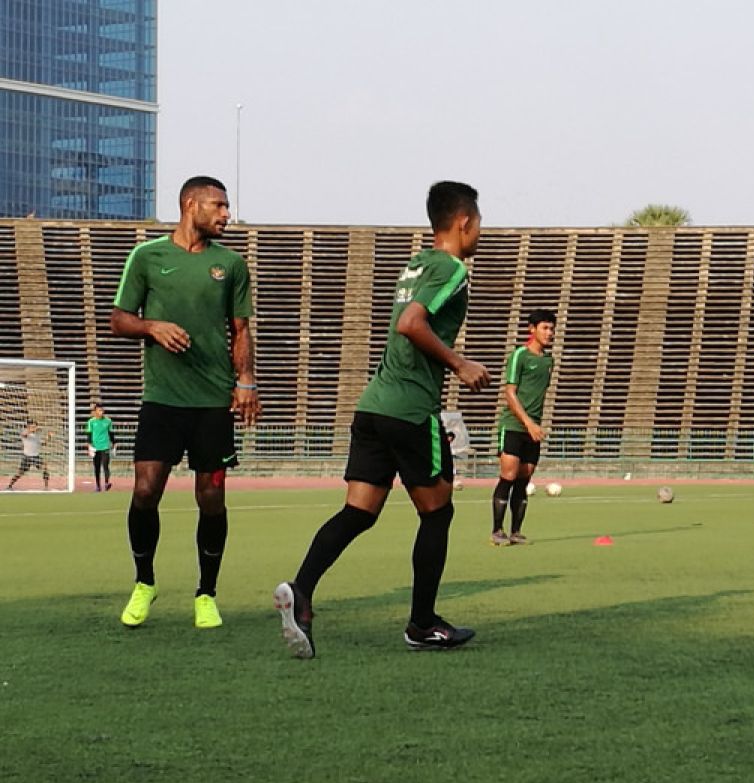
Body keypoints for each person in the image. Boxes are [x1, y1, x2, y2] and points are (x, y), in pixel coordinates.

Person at [273, 181, 491, 658]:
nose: (480, 232)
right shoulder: (452, 268)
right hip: (411, 411)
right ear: (464, 222)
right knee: (438, 511)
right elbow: (410, 324)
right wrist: (461, 364)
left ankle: (302, 590)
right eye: (479, 222)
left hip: (372, 405)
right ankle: (422, 624)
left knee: (358, 512)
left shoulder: (415, 264)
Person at [111, 175, 260, 629]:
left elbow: (240, 330)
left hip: (213, 401)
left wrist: (246, 381)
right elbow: (119, 319)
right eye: (218, 205)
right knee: (144, 490)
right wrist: (152, 327)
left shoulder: (230, 265)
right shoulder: (147, 257)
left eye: (226, 206)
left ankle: (206, 593)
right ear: (190, 204)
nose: (226, 214)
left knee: (211, 496)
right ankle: (144, 582)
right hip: (162, 399)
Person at [490, 310, 556, 546]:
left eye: (551, 328)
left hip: (533, 429)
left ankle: (516, 532)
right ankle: (497, 531)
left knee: (524, 478)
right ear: (532, 329)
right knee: (508, 475)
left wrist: (535, 424)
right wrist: (527, 422)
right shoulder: (520, 355)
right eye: (545, 328)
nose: (550, 333)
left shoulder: (549, 361)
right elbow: (510, 392)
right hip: (514, 425)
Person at [6, 420, 50, 490]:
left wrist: (48, 437)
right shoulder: (25, 432)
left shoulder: (37, 435)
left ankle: (46, 487)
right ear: (28, 427)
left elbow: (43, 444)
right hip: (27, 456)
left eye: (35, 426)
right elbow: (24, 435)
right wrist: (31, 430)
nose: (35, 428)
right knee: (20, 473)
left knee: (45, 467)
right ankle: (9, 485)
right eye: (33, 426)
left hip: (36, 456)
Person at [86, 404, 115, 491]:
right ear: (95, 412)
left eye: (102, 410)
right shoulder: (91, 422)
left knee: (106, 465)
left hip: (105, 446)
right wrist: (89, 445)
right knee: (97, 467)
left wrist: (114, 443)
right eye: (99, 410)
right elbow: (89, 434)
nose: (101, 412)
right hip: (95, 447)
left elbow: (111, 433)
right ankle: (98, 486)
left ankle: (106, 483)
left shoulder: (108, 421)